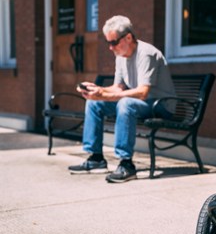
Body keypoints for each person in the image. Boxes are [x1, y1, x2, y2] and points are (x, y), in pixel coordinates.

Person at [68, 15, 176, 183]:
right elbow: (118, 87)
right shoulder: (121, 56)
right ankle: (96, 157)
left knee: (125, 103)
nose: (111, 48)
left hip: (160, 105)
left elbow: (142, 92)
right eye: (108, 43)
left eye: (114, 42)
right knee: (94, 103)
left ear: (128, 37)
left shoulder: (146, 53)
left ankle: (126, 164)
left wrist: (108, 95)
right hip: (140, 103)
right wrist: (98, 90)